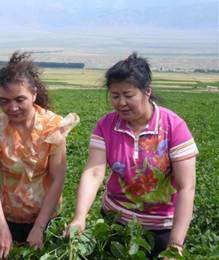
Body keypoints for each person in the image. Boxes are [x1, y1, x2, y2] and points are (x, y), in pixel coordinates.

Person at [67, 53, 198, 258]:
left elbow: (186, 187)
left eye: (128, 95)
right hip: (116, 221)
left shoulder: (173, 127)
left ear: (147, 92)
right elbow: (93, 173)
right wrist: (79, 216)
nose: (121, 103)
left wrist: (175, 243)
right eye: (115, 95)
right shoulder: (106, 125)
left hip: (162, 229)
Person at [0, 52, 79, 258]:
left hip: (46, 216)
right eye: (4, 101)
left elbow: (57, 178)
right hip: (6, 217)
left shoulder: (53, 127)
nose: (12, 107)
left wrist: (39, 226)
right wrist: (1, 228)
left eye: (20, 99)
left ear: (34, 94)